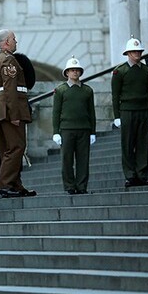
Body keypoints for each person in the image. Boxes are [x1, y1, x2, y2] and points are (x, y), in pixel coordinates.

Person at [0, 29, 36, 198]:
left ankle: (15, 184)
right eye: (14, 39)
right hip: (10, 109)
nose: (16, 42)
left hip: (0, 108)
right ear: (7, 42)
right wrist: (14, 114)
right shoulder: (9, 60)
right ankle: (4, 184)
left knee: (7, 149)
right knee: (16, 147)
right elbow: (10, 89)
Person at [112, 37, 148, 187]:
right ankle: (130, 175)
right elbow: (115, 95)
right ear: (128, 53)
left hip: (142, 110)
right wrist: (117, 116)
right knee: (128, 144)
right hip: (127, 111)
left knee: (143, 144)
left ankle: (142, 174)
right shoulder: (120, 71)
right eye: (134, 51)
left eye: (139, 51)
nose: (137, 54)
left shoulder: (147, 71)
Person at [52, 57, 96, 195]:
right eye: (72, 70)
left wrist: (93, 132)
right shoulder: (60, 90)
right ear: (67, 73)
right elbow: (56, 112)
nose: (75, 72)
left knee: (83, 159)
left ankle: (82, 185)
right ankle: (70, 185)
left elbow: (91, 112)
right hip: (66, 129)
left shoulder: (87, 90)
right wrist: (56, 131)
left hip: (84, 128)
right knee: (67, 159)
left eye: (77, 70)